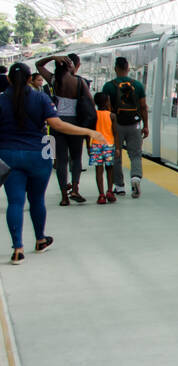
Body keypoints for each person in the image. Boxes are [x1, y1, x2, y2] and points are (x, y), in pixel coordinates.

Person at [0, 63, 105, 264]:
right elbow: (57, 125)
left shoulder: (2, 100)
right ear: (31, 79)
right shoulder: (40, 98)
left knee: (15, 202)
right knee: (37, 200)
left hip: (9, 156)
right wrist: (89, 132)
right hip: (38, 155)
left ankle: (17, 250)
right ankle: (40, 240)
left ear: (9, 80)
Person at [36, 52, 94, 205]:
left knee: (61, 160)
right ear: (72, 66)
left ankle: (64, 196)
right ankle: (74, 188)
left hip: (57, 124)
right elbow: (90, 103)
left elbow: (38, 65)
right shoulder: (80, 82)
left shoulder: (54, 80)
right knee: (76, 157)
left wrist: (53, 57)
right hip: (75, 124)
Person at [103, 57, 149, 199]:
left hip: (116, 124)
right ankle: (135, 179)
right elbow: (143, 107)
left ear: (116, 68)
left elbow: (106, 108)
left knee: (116, 155)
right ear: (128, 68)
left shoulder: (109, 86)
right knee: (135, 155)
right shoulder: (138, 85)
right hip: (134, 124)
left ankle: (119, 186)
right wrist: (145, 126)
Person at [89, 93, 118, 205]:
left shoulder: (94, 115)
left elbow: (89, 132)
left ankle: (101, 195)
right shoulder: (112, 116)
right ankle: (110, 191)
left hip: (96, 145)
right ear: (107, 102)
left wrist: (88, 146)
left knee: (98, 171)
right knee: (110, 170)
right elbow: (115, 133)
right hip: (109, 145)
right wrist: (118, 148)